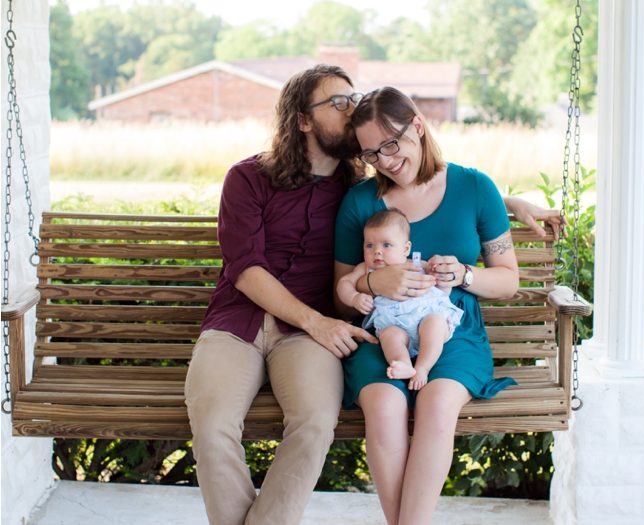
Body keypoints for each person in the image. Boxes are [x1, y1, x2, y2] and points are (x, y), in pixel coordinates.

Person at [186, 63, 561, 525]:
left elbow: (440, 187)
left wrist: (505, 213)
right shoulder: (295, 186)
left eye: (353, 99)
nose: (352, 112)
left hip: (385, 332)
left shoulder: (367, 185)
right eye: (338, 103)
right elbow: (257, 272)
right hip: (270, 324)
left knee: (352, 417)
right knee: (220, 423)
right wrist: (351, 297)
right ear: (303, 119)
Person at [333, 86, 525, 525]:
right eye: (370, 153)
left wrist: (465, 275)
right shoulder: (361, 202)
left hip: (452, 332)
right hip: (384, 331)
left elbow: (508, 281)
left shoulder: (476, 187)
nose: (383, 159)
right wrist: (371, 279)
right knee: (384, 406)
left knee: (438, 406)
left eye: (390, 144)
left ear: (416, 126)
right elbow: (340, 297)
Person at [337, 208, 463, 390]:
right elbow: (344, 283)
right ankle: (402, 364)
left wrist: (440, 272)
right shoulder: (365, 268)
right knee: (390, 336)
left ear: (406, 249)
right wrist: (354, 297)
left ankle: (422, 368)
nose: (377, 252)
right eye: (369, 245)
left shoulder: (418, 264)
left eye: (386, 245)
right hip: (394, 324)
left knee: (434, 324)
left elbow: (443, 289)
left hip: (426, 317)